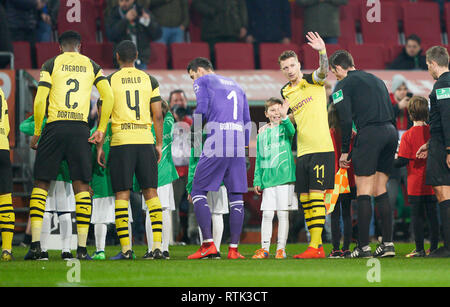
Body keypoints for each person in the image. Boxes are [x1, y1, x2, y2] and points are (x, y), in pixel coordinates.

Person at [24, 30, 114, 261]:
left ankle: (35, 246)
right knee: (82, 186)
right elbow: (109, 96)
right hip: (79, 128)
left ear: (60, 47)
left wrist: (37, 131)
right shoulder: (91, 65)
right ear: (80, 46)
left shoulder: (51, 63)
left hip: (55, 126)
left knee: (41, 184)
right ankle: (82, 249)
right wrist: (101, 128)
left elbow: (40, 99)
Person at [96, 40, 164, 260]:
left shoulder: (109, 81)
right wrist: (159, 143)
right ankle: (158, 248)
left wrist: (100, 145)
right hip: (144, 141)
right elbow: (158, 115)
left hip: (121, 142)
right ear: (136, 55)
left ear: (117, 57)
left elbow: (102, 114)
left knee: (122, 194)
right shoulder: (149, 79)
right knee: (151, 192)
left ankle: (126, 250)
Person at [329, 49, 398, 258]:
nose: (335, 76)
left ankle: (362, 247)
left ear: (339, 68)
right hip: (390, 132)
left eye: (334, 72)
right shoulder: (377, 79)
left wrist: (344, 151)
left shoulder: (342, 86)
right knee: (380, 189)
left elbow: (345, 120)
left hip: (369, 135)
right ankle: (387, 244)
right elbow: (391, 109)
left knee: (364, 191)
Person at [186, 57, 251, 260]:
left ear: (199, 70)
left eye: (192, 76)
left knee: (197, 190)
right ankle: (233, 249)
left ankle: (208, 244)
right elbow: (247, 120)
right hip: (238, 142)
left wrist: (195, 140)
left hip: (218, 139)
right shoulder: (238, 87)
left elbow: (201, 110)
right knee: (236, 196)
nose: (193, 81)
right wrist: (244, 146)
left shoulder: (204, 81)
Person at [279, 32, 334, 259]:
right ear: (282, 70)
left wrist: (322, 51)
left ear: (299, 64)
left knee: (315, 195)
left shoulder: (313, 80)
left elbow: (324, 71)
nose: (290, 70)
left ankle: (315, 245)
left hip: (321, 147)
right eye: (286, 67)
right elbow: (295, 116)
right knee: (304, 199)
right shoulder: (285, 91)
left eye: (293, 65)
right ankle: (317, 247)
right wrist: (280, 120)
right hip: (302, 151)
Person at [19, 115, 75, 260]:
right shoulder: (67, 123)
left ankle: (43, 251)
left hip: (47, 171)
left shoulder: (44, 123)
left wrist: (40, 114)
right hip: (64, 172)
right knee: (65, 211)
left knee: (46, 211)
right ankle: (66, 251)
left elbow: (23, 126)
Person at [416, 46, 450, 257]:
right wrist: (429, 144)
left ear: (434, 64)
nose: (428, 68)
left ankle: (448, 247)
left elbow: (447, 117)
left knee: (443, 192)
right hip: (438, 142)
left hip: (443, 145)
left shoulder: (443, 84)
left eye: (428, 65)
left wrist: (447, 148)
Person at [395, 96, 440, 257]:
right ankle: (434, 247)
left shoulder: (407, 135)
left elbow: (402, 161)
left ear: (410, 113)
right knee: (433, 216)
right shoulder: (433, 133)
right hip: (433, 182)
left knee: (417, 217)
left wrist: (390, 160)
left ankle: (419, 248)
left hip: (415, 184)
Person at [252, 98, 297, 259]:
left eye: (278, 109)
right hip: (268, 180)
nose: (276, 113)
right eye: (272, 110)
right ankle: (264, 248)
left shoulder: (286, 128)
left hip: (285, 178)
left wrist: (285, 116)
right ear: (266, 114)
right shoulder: (261, 134)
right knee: (267, 214)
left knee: (283, 214)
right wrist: (257, 180)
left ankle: (281, 249)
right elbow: (259, 159)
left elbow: (292, 131)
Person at [90, 100, 134, 260]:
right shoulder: (121, 130)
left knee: (100, 218)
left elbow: (89, 159)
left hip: (101, 180)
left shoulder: (95, 131)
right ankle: (128, 249)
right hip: (121, 181)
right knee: (124, 215)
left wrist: (87, 182)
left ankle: (100, 251)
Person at [142, 100, 179, 259]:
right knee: (165, 211)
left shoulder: (144, 128)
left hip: (148, 174)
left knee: (150, 212)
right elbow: (169, 113)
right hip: (165, 173)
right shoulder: (169, 123)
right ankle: (164, 249)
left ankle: (151, 249)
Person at [327, 103, 356, 258]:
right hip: (348, 178)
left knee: (335, 215)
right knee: (347, 214)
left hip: (334, 179)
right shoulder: (350, 134)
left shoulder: (329, 133)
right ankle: (346, 248)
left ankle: (336, 248)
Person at [105, 0, 162, 70]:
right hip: (121, 61)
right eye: (121, 1)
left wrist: (148, 23)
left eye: (127, 1)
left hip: (140, 60)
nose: (124, 4)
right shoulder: (114, 13)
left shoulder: (142, 11)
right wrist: (125, 20)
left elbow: (157, 34)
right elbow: (110, 35)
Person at [170, 89, 193, 243]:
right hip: (173, 170)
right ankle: (172, 236)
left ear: (186, 102)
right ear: (170, 103)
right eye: (175, 100)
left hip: (191, 169)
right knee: (172, 205)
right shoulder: (166, 121)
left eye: (181, 100)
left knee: (195, 203)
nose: (179, 103)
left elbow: (197, 144)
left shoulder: (192, 121)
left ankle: (194, 234)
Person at [0, 87, 14, 261]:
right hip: (2, 146)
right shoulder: (1, 91)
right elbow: (8, 125)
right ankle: (7, 250)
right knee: (5, 200)